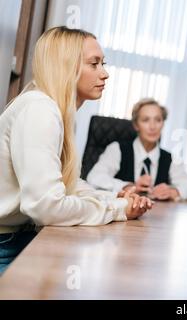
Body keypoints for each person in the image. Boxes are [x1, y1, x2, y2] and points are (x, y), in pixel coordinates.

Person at [0, 26, 152, 274]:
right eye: (94, 64)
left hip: (18, 237)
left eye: (103, 63)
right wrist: (116, 209)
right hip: (5, 244)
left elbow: (64, 183)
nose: (105, 74)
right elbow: (46, 206)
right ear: (66, 66)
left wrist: (113, 199)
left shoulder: (55, 111)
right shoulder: (40, 111)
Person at [86, 98, 187, 201]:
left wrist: (173, 192)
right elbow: (94, 178)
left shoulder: (169, 158)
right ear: (136, 125)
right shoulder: (117, 149)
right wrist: (128, 187)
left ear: (163, 124)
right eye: (146, 120)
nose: (152, 126)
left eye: (158, 120)